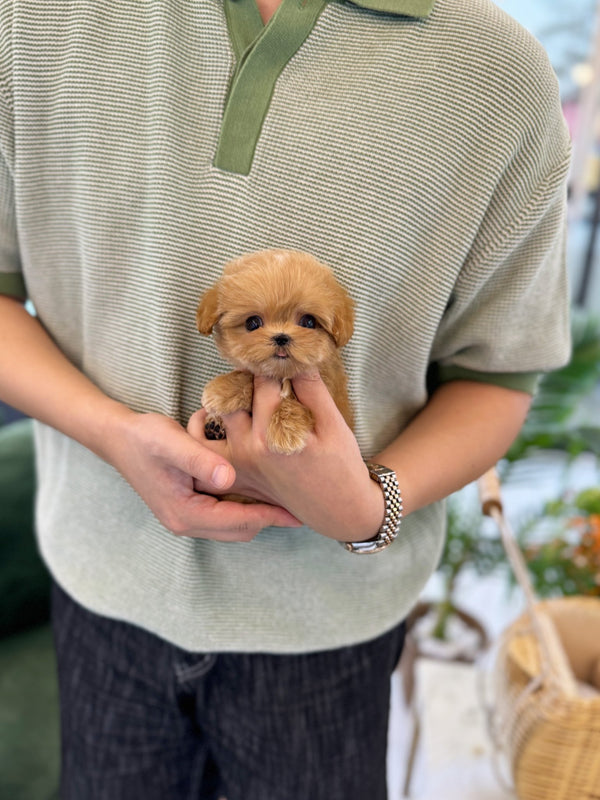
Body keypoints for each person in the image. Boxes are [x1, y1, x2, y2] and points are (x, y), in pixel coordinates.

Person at [0, 0, 571, 797]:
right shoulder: (32, 18)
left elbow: (498, 377)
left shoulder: (496, 74)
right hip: (100, 580)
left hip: (331, 624)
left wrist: (372, 506)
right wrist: (111, 433)